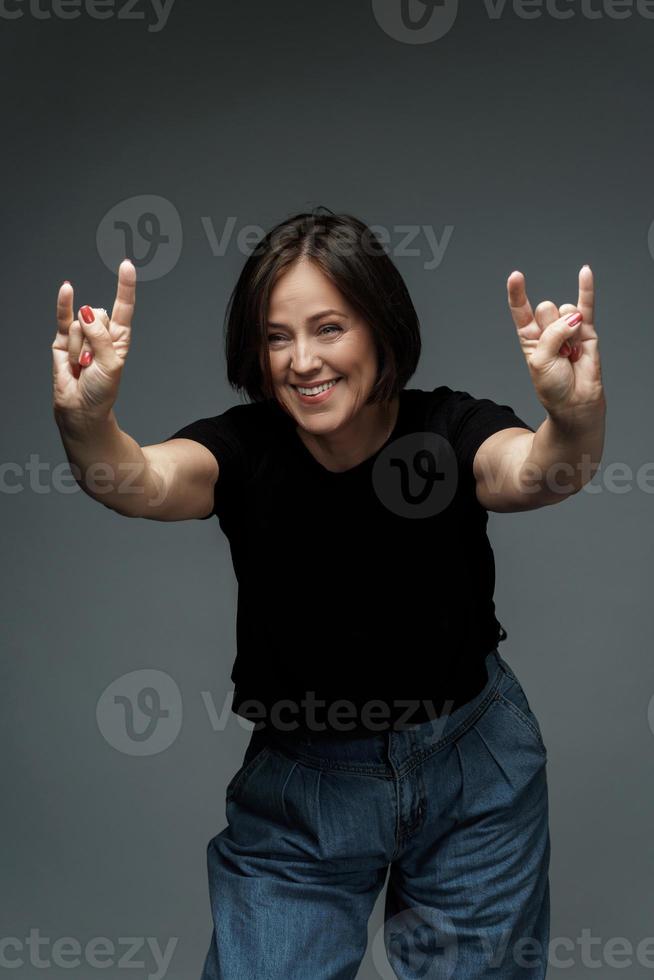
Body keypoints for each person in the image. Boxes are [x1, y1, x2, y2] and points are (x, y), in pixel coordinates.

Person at [52, 208, 606, 979]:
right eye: (277, 337)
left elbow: (538, 471)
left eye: (329, 328)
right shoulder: (242, 449)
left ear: (381, 328)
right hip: (302, 793)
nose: (302, 361)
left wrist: (574, 415)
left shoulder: (448, 428)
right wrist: (87, 421)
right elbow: (138, 480)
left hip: (473, 772)